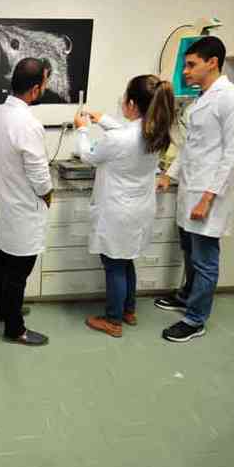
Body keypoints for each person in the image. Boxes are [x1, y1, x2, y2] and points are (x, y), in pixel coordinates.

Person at [155, 36, 234, 342]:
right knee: (189, 250)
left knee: (205, 258)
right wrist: (169, 175)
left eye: (191, 65)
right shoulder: (202, 100)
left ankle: (196, 319)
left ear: (213, 63)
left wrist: (209, 197)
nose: (185, 71)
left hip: (208, 194)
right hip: (190, 189)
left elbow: (233, 152)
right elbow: (189, 148)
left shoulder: (233, 99)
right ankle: (186, 295)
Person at [74, 75, 175, 337]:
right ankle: (129, 310)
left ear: (131, 103)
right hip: (140, 208)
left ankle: (113, 321)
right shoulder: (157, 132)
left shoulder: (122, 138)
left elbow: (89, 156)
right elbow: (126, 134)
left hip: (118, 210)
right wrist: (102, 119)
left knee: (114, 266)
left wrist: (82, 129)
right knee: (127, 260)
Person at [0, 57, 53, 346]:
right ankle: (15, 328)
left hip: (4, 204)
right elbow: (39, 175)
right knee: (18, 271)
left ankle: (3, 309)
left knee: (2, 259)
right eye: (46, 83)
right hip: (22, 207)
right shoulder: (27, 124)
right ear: (36, 89)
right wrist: (48, 194)